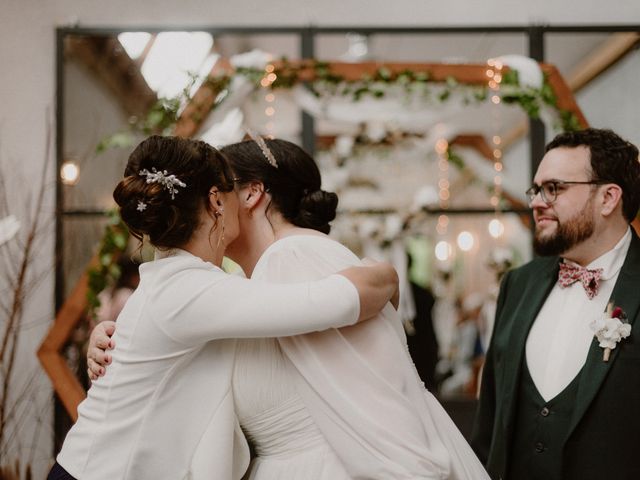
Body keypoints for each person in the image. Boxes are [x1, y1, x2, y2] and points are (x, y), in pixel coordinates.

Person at [91, 137, 490, 479]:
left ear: (250, 193)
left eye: (218, 190)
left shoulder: (292, 256)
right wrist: (121, 340)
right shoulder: (236, 287)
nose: (206, 202)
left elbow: (375, 400)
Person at [49, 135, 399, 480]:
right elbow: (333, 301)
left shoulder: (179, 282)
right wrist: (385, 274)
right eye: (233, 187)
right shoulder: (189, 289)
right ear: (216, 200)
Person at [471, 128, 640, 480]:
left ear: (608, 197)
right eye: (536, 189)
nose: (535, 202)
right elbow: (490, 418)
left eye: (554, 188)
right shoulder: (518, 284)